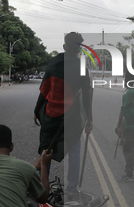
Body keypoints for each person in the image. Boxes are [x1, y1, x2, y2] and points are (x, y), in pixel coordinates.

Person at [33, 32, 93, 196]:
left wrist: (36, 110)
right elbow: (87, 96)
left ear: (65, 46)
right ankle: (72, 189)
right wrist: (89, 119)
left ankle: (40, 187)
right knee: (74, 151)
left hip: (51, 115)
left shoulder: (53, 63)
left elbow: (44, 90)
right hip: (71, 117)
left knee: (46, 152)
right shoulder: (82, 67)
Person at [115, 71, 134, 182]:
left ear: (126, 81)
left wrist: (118, 126)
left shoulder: (127, 93)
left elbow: (123, 110)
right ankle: (129, 172)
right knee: (133, 149)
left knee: (127, 150)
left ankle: (129, 174)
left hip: (128, 126)